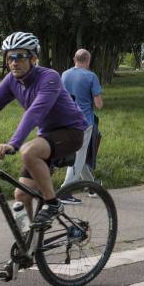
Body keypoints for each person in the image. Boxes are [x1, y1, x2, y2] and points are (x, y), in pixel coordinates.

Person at [0, 32, 87, 280]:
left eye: (20, 57)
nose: (14, 63)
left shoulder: (49, 77)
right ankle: (29, 248)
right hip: (47, 137)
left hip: (70, 132)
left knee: (28, 151)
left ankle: (53, 203)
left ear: (33, 58)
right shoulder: (12, 80)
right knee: (21, 195)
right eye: (10, 58)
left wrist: (12, 144)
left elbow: (35, 111)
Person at [59, 48, 103, 204]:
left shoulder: (64, 74)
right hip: (84, 122)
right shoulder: (91, 76)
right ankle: (65, 190)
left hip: (65, 120)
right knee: (78, 156)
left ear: (74, 59)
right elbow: (98, 104)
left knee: (80, 155)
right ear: (88, 60)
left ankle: (92, 186)